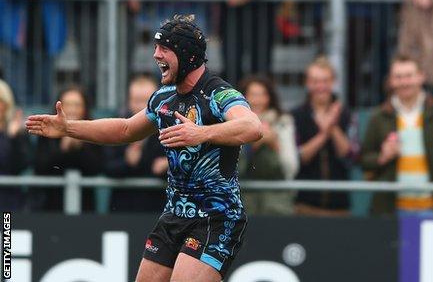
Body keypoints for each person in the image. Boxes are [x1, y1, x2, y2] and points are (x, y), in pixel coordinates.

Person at [26, 14, 263, 282]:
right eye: (155, 47)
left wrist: (201, 133)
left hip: (216, 217)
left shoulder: (220, 94)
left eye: (164, 49)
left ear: (187, 55)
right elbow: (126, 130)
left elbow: (253, 127)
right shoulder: (164, 96)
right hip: (174, 215)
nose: (155, 55)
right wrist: (68, 128)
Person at [360, 53, 433, 217]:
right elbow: (363, 159)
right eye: (398, 77)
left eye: (409, 76)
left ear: (421, 77)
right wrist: (382, 157)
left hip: (432, 208)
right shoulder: (378, 116)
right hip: (390, 209)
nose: (404, 82)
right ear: (390, 80)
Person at [291, 56, 352, 216]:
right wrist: (324, 134)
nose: (320, 86)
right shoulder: (295, 116)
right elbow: (299, 157)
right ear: (307, 83)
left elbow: (349, 154)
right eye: (315, 81)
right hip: (304, 205)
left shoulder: (346, 114)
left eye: (325, 81)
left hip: (340, 206)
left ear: (333, 82)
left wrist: (333, 128)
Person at [31, 86, 104, 212]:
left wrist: (79, 147)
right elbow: (40, 167)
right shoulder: (47, 131)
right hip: (51, 205)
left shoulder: (94, 131)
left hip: (85, 206)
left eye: (77, 105)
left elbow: (98, 168)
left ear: (85, 109)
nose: (72, 110)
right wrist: (62, 149)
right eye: (68, 105)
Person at [106, 74, 168, 213]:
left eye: (147, 100)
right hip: (122, 209)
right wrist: (127, 162)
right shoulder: (116, 128)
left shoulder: (169, 128)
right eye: (137, 100)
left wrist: (168, 164)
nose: (142, 107)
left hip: (157, 210)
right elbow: (106, 167)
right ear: (129, 101)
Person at [238, 75, 298, 215]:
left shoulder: (283, 122)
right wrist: (253, 142)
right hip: (244, 201)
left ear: (269, 98)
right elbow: (234, 169)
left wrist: (273, 142)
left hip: (277, 202)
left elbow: (290, 167)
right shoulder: (231, 123)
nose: (257, 100)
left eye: (262, 95)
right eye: (253, 95)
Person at [0, 79, 30, 211]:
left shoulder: (18, 133)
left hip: (9, 202)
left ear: (7, 104)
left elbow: (21, 164)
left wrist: (12, 138)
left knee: (8, 231)